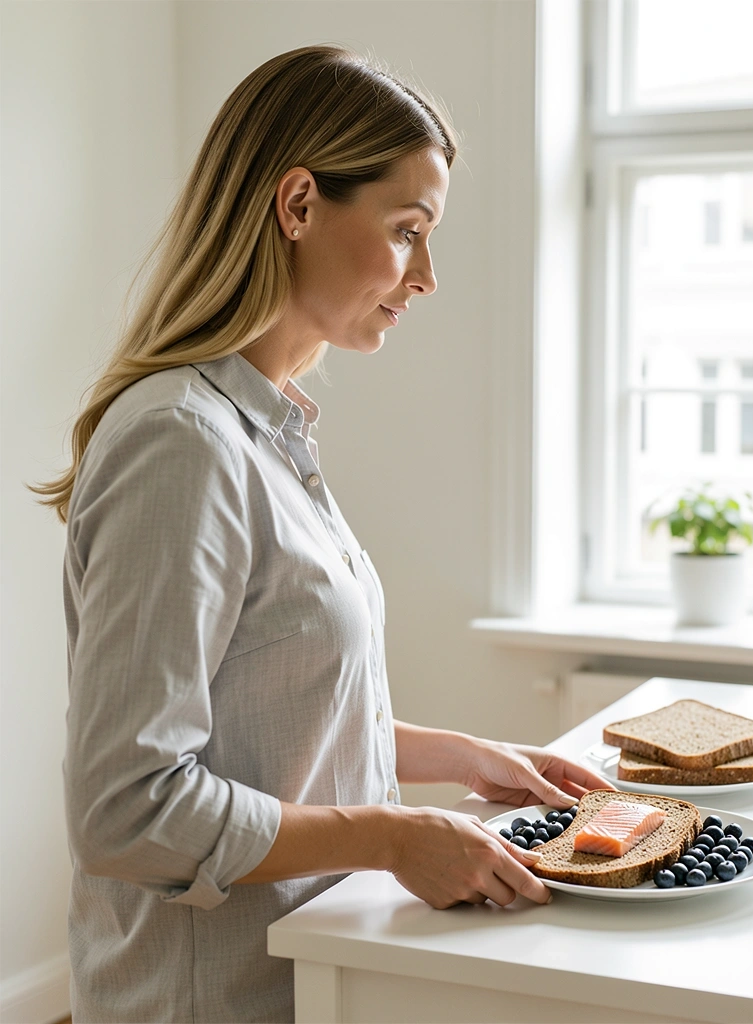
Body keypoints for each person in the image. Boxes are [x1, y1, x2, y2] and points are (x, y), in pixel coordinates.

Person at [31, 45, 611, 1024]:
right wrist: (390, 835)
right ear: (297, 205)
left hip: (311, 973)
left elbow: (262, 723)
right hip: (208, 996)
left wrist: (454, 754)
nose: (425, 275)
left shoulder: (269, 428)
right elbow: (129, 808)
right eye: (405, 230)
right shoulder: (180, 442)